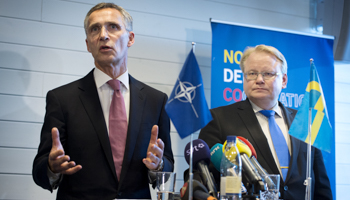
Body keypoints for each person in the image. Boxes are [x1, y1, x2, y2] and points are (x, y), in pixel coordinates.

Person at [32, 3, 174, 199]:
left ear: (130, 38)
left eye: (113, 27)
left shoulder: (155, 100)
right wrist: (51, 167)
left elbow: (167, 167)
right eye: (95, 29)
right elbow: (39, 172)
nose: (103, 35)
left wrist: (158, 165)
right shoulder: (61, 99)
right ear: (88, 44)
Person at [198, 45, 332, 199]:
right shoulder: (218, 119)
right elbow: (202, 177)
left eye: (268, 74)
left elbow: (321, 184)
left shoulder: (304, 121)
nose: (259, 80)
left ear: (284, 80)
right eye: (252, 73)